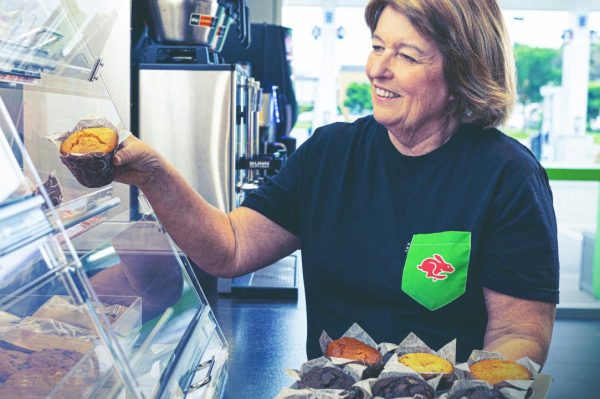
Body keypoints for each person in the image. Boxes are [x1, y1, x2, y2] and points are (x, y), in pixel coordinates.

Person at [113, 0, 558, 365]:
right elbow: (229, 247)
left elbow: (519, 333)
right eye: (377, 46)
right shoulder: (330, 154)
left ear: (463, 72)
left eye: (406, 55)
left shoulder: (507, 177)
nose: (377, 69)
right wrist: (156, 176)